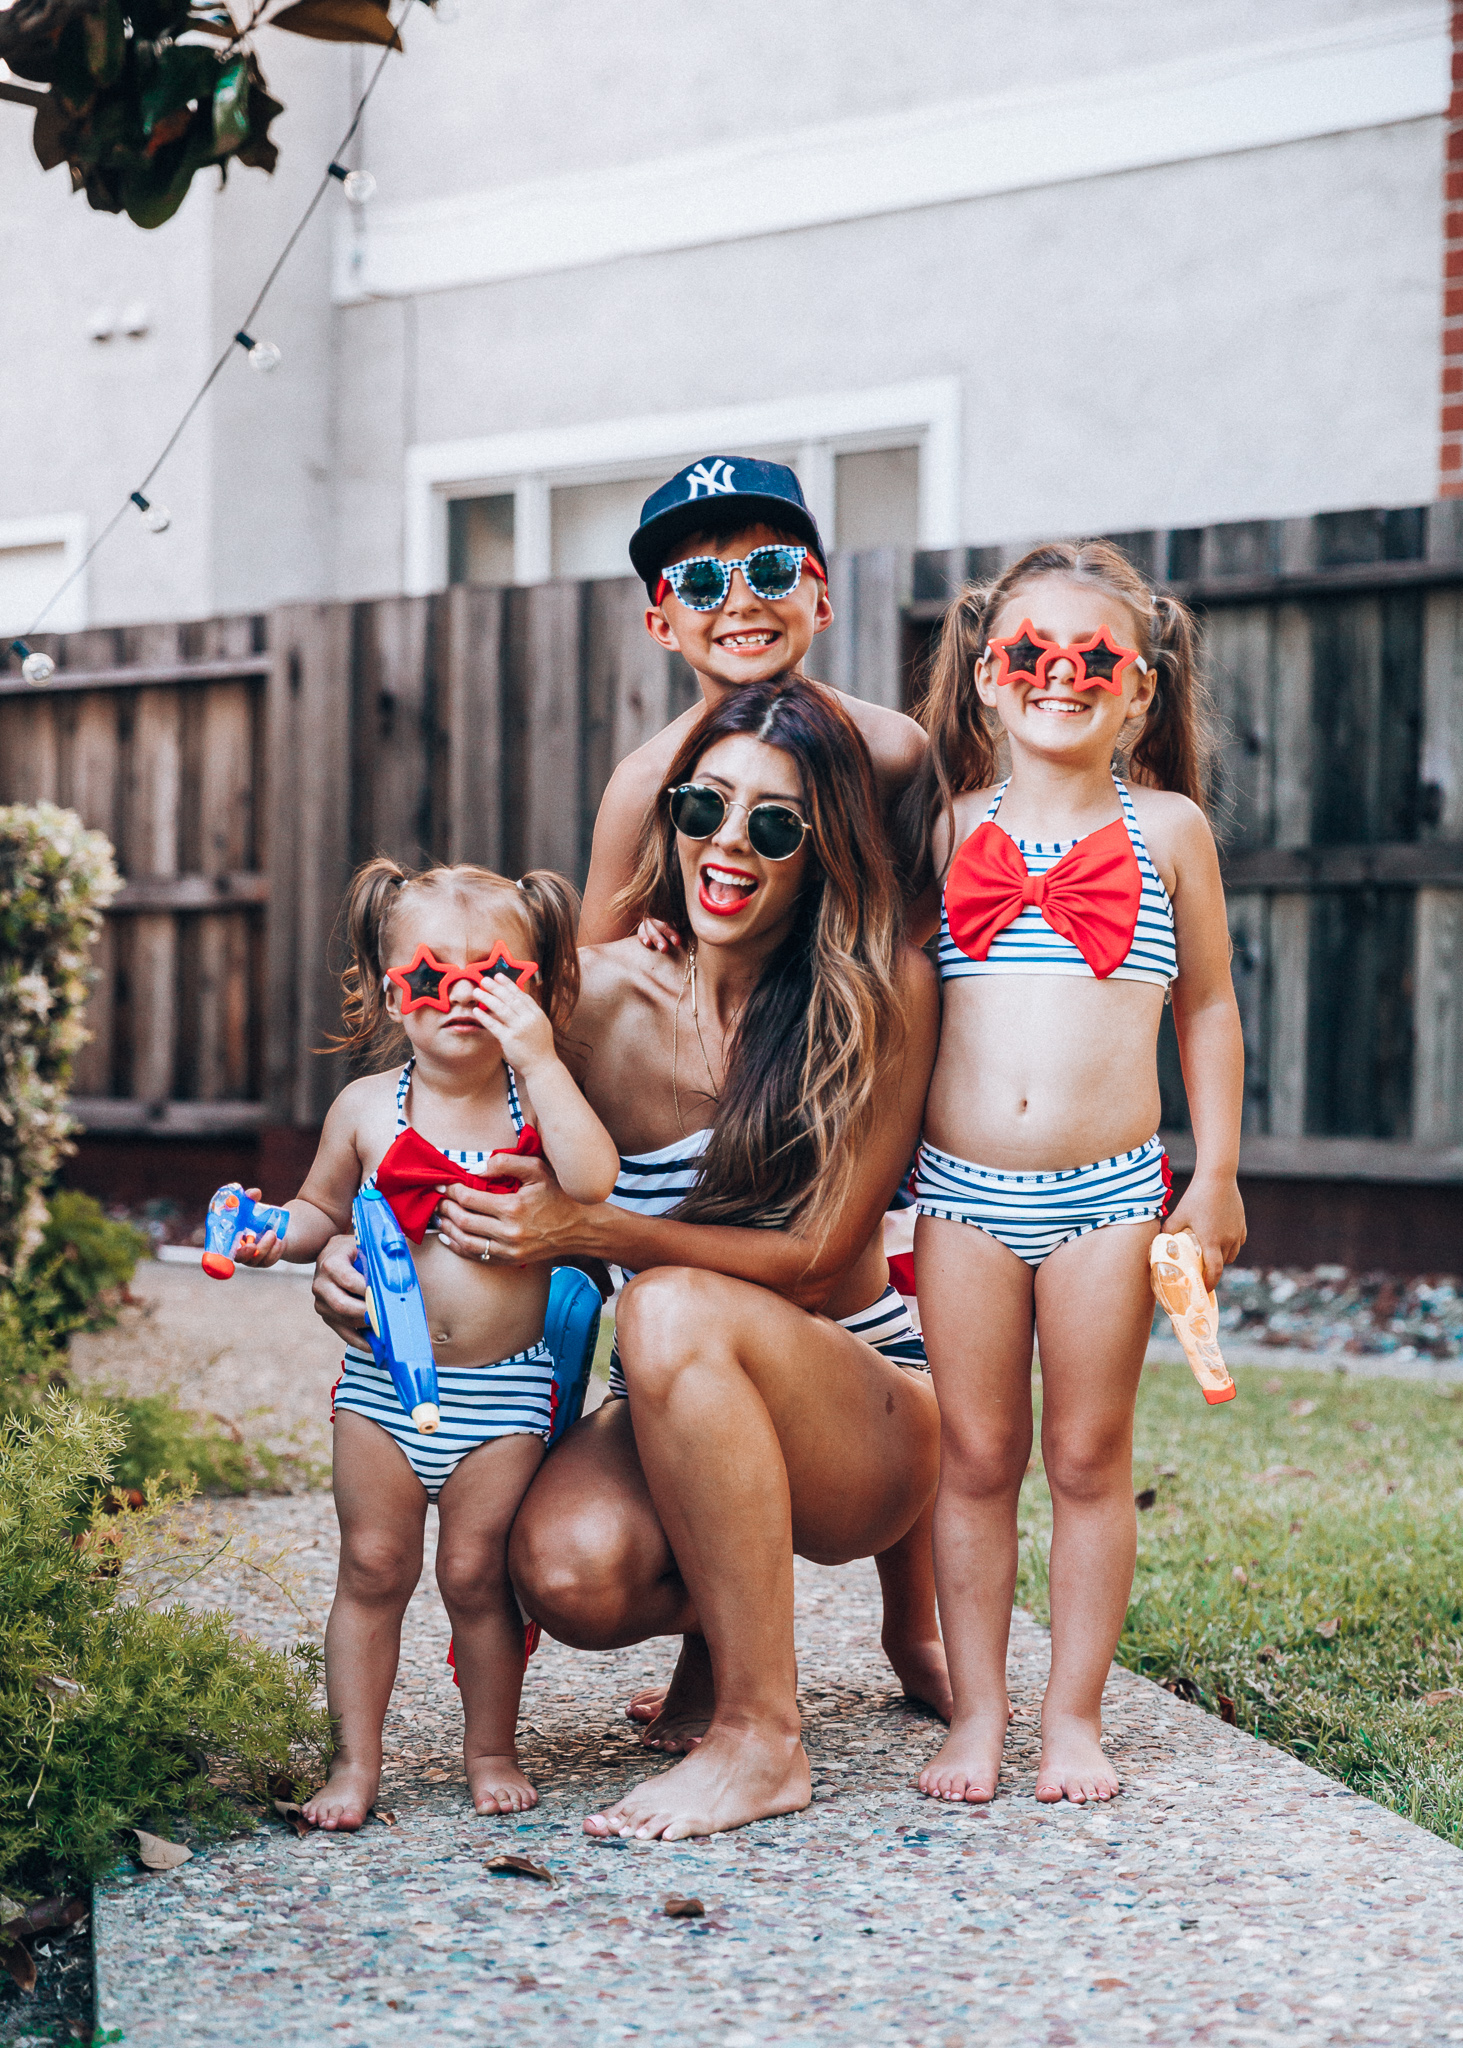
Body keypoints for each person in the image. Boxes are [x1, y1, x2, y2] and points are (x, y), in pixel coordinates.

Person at [311, 676, 945, 1841]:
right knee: (565, 1568)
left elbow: (814, 1256)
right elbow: (446, 1126)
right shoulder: (586, 998)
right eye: (705, 808)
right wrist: (351, 1250)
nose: (727, 844)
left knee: (660, 1307)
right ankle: (720, 1628)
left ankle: (763, 1735)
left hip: (863, 1408)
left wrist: (594, 1230)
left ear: (824, 850)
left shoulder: (874, 990)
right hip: (675, 1401)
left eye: (774, 824)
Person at [897, 541, 1247, 1807]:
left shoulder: (1166, 830)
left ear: (1139, 688)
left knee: (1089, 1456)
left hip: (1108, 1192)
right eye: (1027, 653)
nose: (1060, 672)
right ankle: (977, 1714)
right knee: (975, 1457)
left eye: (1092, 657)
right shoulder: (942, 830)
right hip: (958, 1194)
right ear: (984, 679)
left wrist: (1213, 1175)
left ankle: (1073, 1715)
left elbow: (1205, 1007)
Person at [234, 860, 618, 1828]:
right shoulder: (364, 1108)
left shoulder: (540, 1103)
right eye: (427, 975)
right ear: (379, 985)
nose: (457, 997)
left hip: (503, 1395)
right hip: (379, 1386)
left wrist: (539, 1058)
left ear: (537, 989)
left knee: (476, 1576)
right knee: (371, 1568)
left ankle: (489, 1745)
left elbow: (594, 1176)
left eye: (490, 978)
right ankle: (353, 1761)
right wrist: (274, 1235)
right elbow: (320, 1206)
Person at [578, 456, 927, 944]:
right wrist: (643, 950)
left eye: (773, 570)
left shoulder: (893, 750)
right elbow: (595, 971)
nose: (742, 602)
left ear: (821, 604)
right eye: (699, 581)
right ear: (662, 626)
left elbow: (924, 928)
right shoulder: (643, 787)